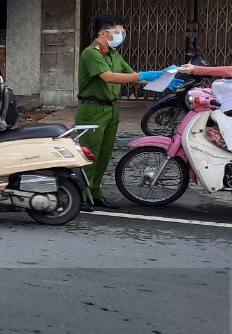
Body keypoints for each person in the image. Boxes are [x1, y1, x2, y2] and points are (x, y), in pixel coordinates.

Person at [75, 13, 178, 210]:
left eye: (122, 31)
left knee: (104, 154)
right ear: (103, 33)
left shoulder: (114, 54)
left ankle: (95, 192)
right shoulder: (92, 53)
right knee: (89, 155)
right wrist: (142, 75)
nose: (121, 35)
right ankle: (81, 194)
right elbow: (108, 77)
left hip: (110, 109)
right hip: (92, 109)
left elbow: (133, 76)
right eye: (117, 31)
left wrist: (163, 79)